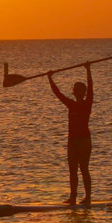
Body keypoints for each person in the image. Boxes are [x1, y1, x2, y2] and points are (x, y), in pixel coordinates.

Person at [47, 63, 94, 206]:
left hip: (84, 140)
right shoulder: (70, 104)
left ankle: (87, 197)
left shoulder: (87, 103)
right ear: (74, 92)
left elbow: (91, 87)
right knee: (72, 170)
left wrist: (88, 70)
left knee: (83, 168)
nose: (78, 92)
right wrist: (50, 78)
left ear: (83, 92)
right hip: (72, 140)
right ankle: (73, 197)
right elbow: (57, 93)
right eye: (76, 90)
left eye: (81, 90)